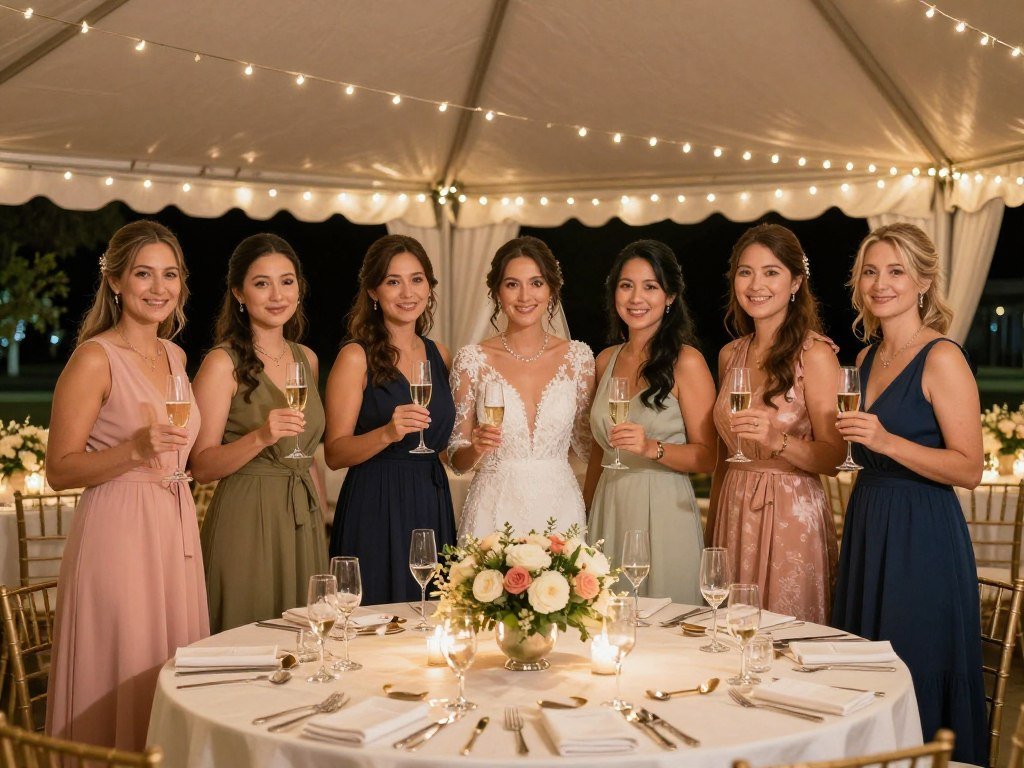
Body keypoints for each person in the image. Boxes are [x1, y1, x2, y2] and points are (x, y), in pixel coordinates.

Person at [44, 221, 209, 750]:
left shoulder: (176, 357)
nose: (158, 288)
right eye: (143, 274)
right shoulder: (95, 357)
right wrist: (133, 450)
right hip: (119, 530)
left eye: (169, 275)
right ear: (115, 281)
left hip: (175, 528)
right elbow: (59, 469)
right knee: (124, 661)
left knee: (169, 664)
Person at [833, 223, 987, 764]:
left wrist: (887, 440)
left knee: (916, 667)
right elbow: (851, 450)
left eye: (896, 271)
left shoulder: (942, 357)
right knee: (866, 670)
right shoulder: (866, 360)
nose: (881, 283)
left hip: (923, 538)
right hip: (869, 524)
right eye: (870, 272)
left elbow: (970, 468)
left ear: (923, 281)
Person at [707, 223, 845, 624]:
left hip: (791, 512)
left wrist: (777, 439)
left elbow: (835, 458)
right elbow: (723, 458)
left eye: (771, 272)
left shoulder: (815, 355)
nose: (756, 284)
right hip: (734, 508)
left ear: (796, 282)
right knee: (731, 634)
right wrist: (713, 531)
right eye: (745, 272)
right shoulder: (729, 354)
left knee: (785, 637)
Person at [190, 233, 326, 632]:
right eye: (261, 283)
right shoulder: (221, 363)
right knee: (248, 639)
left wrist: (320, 527)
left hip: (303, 522)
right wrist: (260, 437)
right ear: (239, 293)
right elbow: (200, 465)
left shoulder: (309, 360)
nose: (277, 294)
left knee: (306, 642)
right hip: (247, 520)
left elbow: (309, 456)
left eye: (287, 281)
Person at [325, 234, 455, 605]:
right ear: (373, 292)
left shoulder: (440, 355)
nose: (407, 292)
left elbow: (445, 448)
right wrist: (387, 432)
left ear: (429, 287)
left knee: (431, 617)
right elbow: (335, 453)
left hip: (431, 498)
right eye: (393, 281)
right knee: (376, 619)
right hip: (376, 502)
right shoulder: (355, 356)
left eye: (416, 279)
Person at [583, 241, 717, 604]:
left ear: (670, 295)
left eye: (650, 286)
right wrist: (585, 512)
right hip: (609, 506)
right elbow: (599, 448)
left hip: (663, 509)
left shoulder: (687, 363)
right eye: (626, 285)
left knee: (667, 629)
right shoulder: (604, 360)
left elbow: (708, 456)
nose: (636, 297)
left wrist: (650, 448)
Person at [449, 236, 594, 539]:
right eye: (512, 284)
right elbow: (456, 458)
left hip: (560, 508)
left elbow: (588, 446)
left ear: (552, 289)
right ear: (497, 292)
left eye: (536, 283)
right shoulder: (472, 360)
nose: (525, 296)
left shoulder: (578, 359)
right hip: (492, 508)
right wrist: (475, 448)